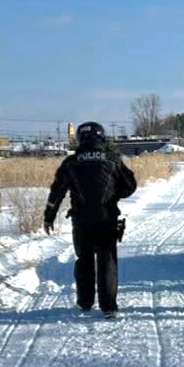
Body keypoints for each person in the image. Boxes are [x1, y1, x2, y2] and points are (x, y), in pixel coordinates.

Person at [43, 121, 137, 318]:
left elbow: (56, 191)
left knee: (84, 260)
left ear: (80, 138)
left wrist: (49, 217)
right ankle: (109, 306)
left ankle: (85, 302)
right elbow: (130, 186)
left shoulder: (71, 162)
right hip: (107, 217)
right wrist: (114, 195)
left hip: (81, 219)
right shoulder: (113, 159)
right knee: (107, 260)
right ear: (101, 137)